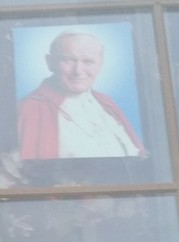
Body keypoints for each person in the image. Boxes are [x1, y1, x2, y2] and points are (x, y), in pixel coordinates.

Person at [18, 31, 147, 160]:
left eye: (88, 62)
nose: (78, 71)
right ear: (50, 62)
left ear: (100, 64)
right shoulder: (30, 109)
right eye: (68, 60)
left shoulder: (105, 102)